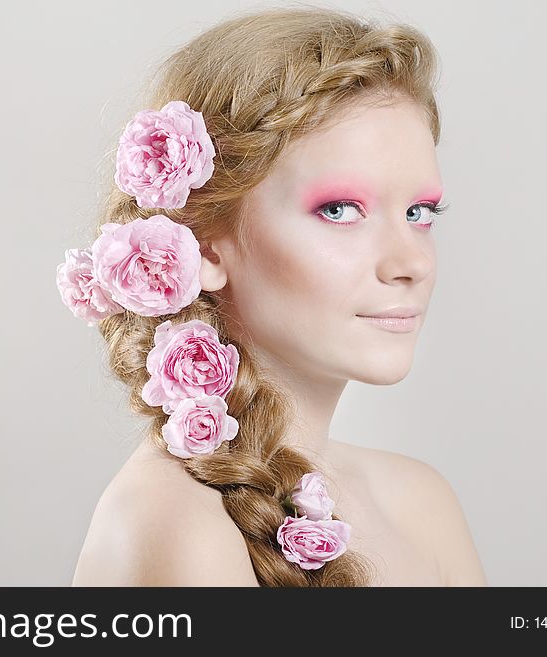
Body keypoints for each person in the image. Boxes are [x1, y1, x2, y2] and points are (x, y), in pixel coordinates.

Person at [64, 6, 487, 586]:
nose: (411, 262)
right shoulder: (175, 528)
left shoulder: (422, 503)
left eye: (420, 213)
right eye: (340, 210)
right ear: (204, 245)